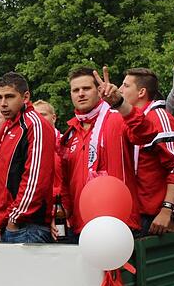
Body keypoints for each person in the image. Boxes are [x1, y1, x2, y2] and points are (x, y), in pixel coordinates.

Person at [57, 67, 152, 239]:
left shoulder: (117, 118)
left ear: (98, 90)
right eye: (75, 90)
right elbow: (65, 182)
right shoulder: (70, 134)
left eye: (86, 89)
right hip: (80, 227)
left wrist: (120, 103)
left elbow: (146, 133)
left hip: (119, 224)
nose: (81, 94)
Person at [115, 68, 174, 235]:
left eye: (125, 85)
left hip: (155, 218)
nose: (120, 89)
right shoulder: (127, 121)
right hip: (134, 214)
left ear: (141, 92)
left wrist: (171, 213)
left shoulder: (159, 119)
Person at [0, 73, 56, 243]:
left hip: (27, 226)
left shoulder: (35, 125)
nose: (3, 103)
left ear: (25, 96)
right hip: (10, 223)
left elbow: (35, 179)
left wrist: (14, 219)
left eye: (9, 97)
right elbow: (2, 179)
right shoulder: (8, 126)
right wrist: (0, 221)